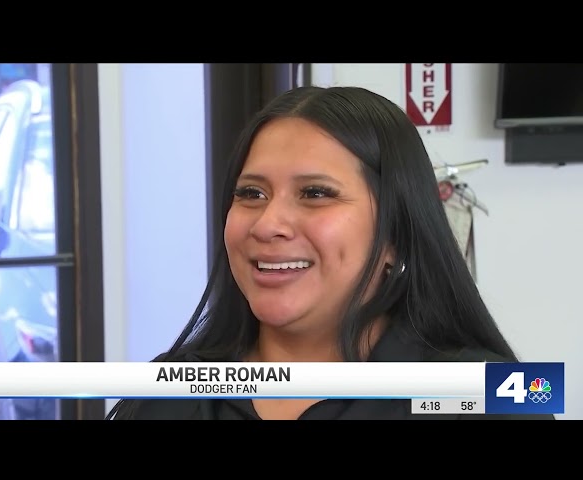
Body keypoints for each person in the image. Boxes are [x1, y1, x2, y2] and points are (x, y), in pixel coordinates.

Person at [106, 85, 554, 420]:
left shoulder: (490, 397)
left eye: (315, 193)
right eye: (251, 194)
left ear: (394, 233)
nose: (267, 224)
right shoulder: (164, 398)